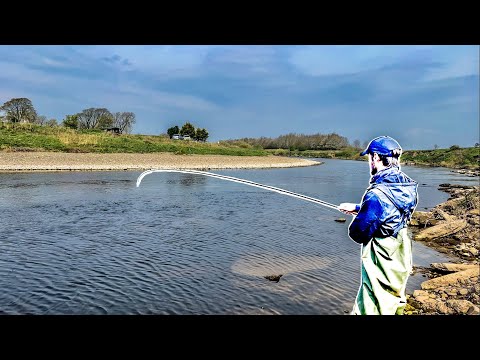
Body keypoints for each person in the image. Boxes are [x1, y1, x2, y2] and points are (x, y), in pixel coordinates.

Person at [338, 135, 418, 315]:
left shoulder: (376, 194)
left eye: (369, 158)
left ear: (375, 158)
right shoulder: (407, 185)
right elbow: (393, 211)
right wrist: (360, 208)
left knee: (373, 301)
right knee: (395, 293)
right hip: (401, 248)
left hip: (383, 253)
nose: (369, 162)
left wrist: (362, 214)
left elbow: (358, 234)